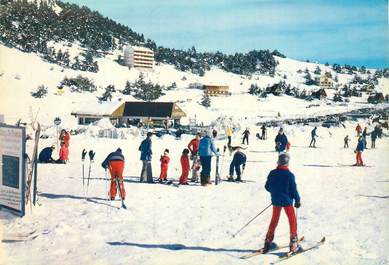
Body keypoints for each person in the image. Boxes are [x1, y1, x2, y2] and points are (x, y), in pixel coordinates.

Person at [263, 153, 301, 254]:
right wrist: (297, 200)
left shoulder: (272, 173)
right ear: (287, 163)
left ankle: (268, 242)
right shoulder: (289, 175)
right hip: (287, 202)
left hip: (276, 201)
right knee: (292, 220)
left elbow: (267, 187)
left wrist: (275, 193)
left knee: (274, 220)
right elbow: (293, 190)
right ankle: (293, 244)